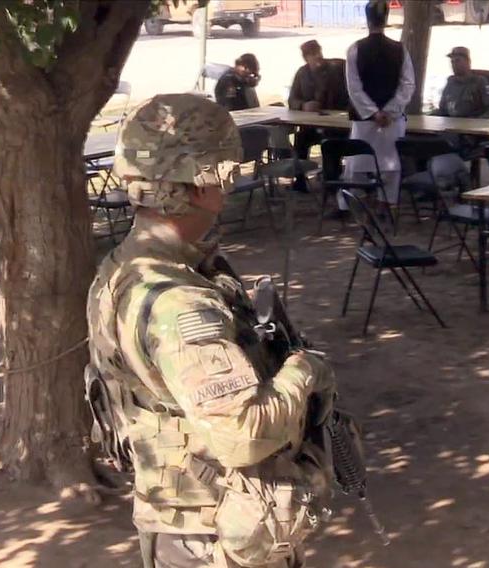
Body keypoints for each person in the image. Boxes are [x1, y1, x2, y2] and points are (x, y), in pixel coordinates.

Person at [86, 94, 336, 568]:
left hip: (185, 522)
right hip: (213, 535)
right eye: (228, 170)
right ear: (201, 184)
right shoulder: (178, 302)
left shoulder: (125, 269)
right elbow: (241, 435)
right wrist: (305, 373)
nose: (232, 182)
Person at [334, 0, 414, 218]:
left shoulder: (355, 49)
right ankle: (385, 204)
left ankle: (354, 202)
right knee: (390, 165)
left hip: (366, 119)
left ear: (367, 20)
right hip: (390, 119)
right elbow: (407, 85)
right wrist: (390, 110)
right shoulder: (400, 50)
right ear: (385, 20)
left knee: (356, 163)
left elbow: (354, 87)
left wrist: (372, 112)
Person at [287, 40, 348, 190]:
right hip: (311, 125)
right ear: (306, 57)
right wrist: (303, 105)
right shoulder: (302, 73)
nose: (317, 56)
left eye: (318, 52)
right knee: (300, 140)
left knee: (330, 143)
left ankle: (332, 180)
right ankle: (300, 180)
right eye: (313, 54)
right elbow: (292, 99)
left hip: (335, 125)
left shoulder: (336, 69)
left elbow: (347, 96)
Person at [434, 46, 489, 119]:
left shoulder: (479, 82)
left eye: (457, 60)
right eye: (452, 62)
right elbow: (442, 110)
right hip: (450, 126)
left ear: (468, 62)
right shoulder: (450, 82)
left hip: (471, 127)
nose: (454, 64)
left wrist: (476, 123)